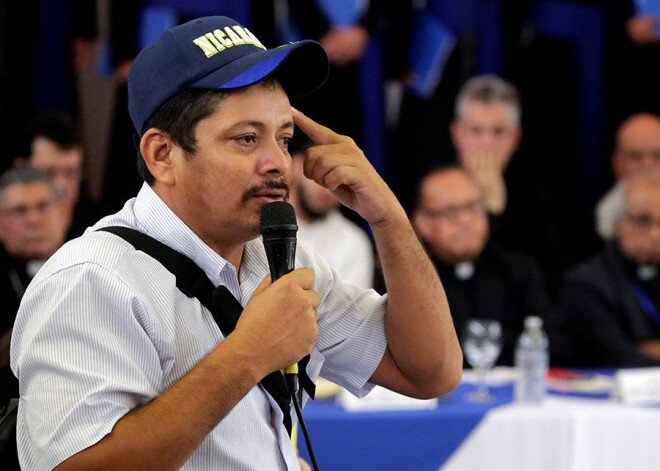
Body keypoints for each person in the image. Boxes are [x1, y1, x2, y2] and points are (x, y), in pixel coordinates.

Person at [10, 16, 462, 471]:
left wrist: (388, 219)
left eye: (284, 139)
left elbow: (429, 373)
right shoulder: (90, 281)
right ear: (162, 155)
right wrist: (249, 354)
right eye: (246, 139)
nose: (277, 163)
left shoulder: (280, 257)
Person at [412, 165, 558, 366]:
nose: (465, 220)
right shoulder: (408, 279)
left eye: (473, 206)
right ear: (423, 224)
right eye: (450, 212)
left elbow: (549, 341)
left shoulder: (519, 269)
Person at [450, 74, 566, 296]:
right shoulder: (432, 191)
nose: (486, 144)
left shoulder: (537, 201)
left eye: (498, 132)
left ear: (516, 138)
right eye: (476, 131)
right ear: (457, 133)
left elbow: (547, 279)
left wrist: (497, 213)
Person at [0, 168, 69, 471]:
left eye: (43, 206)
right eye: (18, 211)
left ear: (63, 212)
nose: (33, 219)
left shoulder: (96, 266)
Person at [561, 171, 660, 367]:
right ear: (617, 223)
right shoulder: (587, 282)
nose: (655, 233)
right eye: (643, 220)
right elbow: (618, 357)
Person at [289, 134, 374, 288]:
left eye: (338, 181)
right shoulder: (258, 224)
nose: (326, 188)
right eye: (319, 175)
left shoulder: (353, 241)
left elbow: (351, 310)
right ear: (296, 165)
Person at [15, 112, 105, 240]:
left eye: (71, 172)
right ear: (20, 169)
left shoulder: (102, 230)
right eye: (48, 173)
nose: (61, 185)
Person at [596, 113, 660, 240]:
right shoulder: (607, 216)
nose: (648, 166)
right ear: (616, 163)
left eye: (658, 156)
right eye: (636, 156)